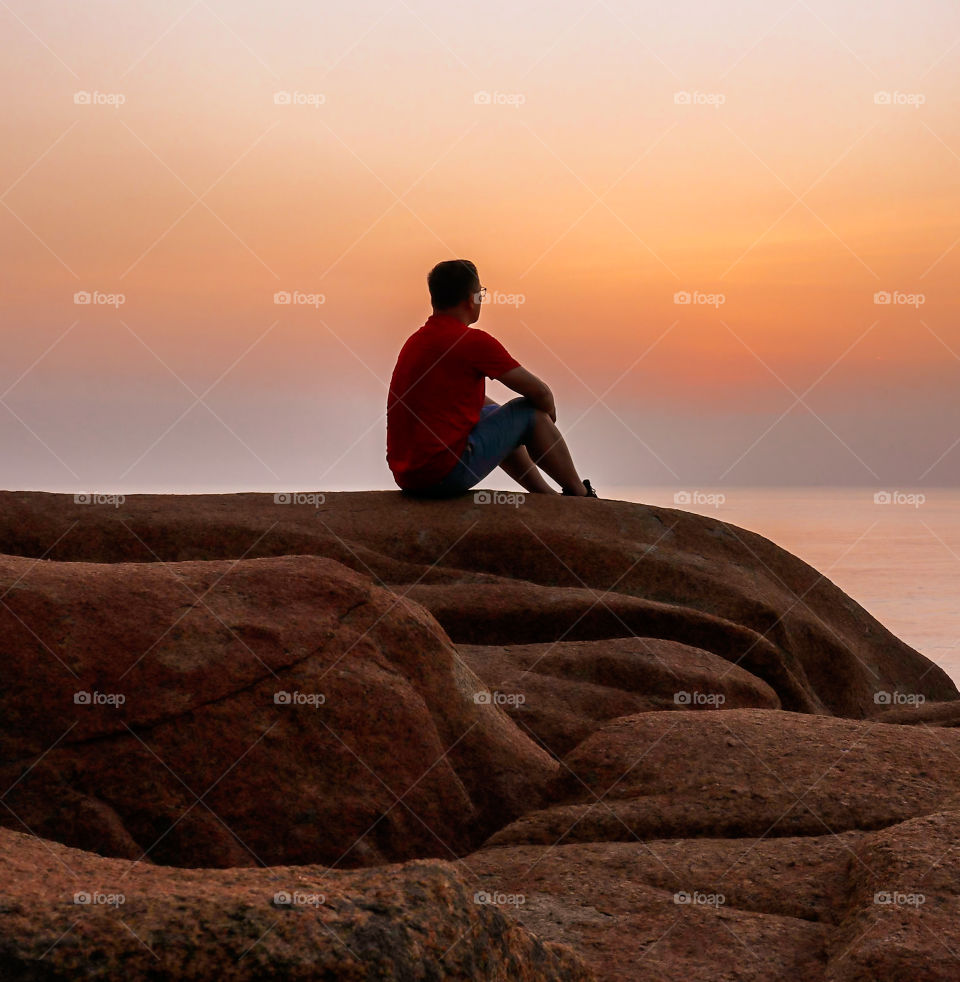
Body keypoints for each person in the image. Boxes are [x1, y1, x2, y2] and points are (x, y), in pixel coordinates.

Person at [386, 259, 598, 498]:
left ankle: (545, 496)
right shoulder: (472, 342)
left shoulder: (416, 342)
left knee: (499, 415)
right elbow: (541, 393)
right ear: (471, 299)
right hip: (443, 475)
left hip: (409, 476)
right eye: (481, 293)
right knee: (528, 411)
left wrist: (510, 424)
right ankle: (580, 494)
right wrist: (544, 421)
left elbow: (454, 402)